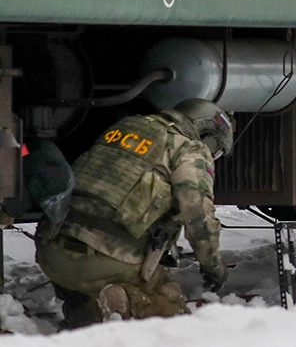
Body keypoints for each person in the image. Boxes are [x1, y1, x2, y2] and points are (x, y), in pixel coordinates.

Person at [37, 98, 232, 327]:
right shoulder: (188, 148)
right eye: (216, 150)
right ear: (206, 131)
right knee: (173, 314)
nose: (212, 156)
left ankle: (85, 310)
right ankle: (125, 300)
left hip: (50, 251)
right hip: (106, 262)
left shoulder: (126, 127)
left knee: (86, 290)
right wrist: (214, 266)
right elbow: (197, 214)